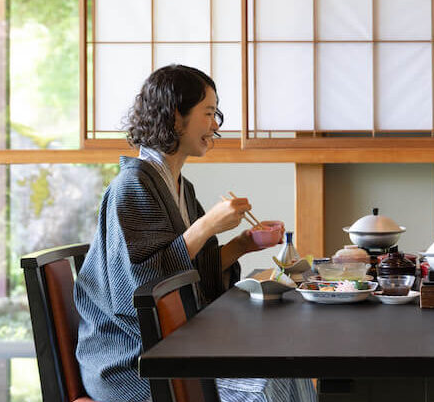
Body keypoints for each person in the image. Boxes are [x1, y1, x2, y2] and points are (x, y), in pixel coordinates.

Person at [74, 64, 315, 402]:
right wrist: (207, 225)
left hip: (175, 346)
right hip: (135, 364)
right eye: (208, 113)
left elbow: (191, 272)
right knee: (265, 384)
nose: (215, 126)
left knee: (287, 367)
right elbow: (140, 290)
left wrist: (244, 244)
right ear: (175, 116)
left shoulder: (180, 186)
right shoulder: (131, 187)